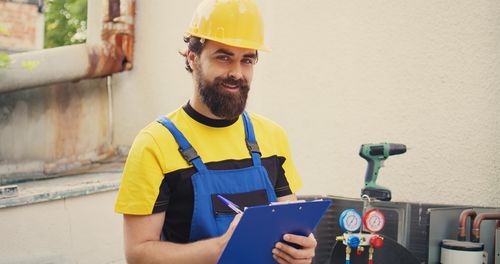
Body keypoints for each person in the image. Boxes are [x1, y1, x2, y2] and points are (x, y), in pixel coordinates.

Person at [114, 0, 318, 263]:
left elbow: (289, 224)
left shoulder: (272, 137)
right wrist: (219, 249)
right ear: (193, 58)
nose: (236, 72)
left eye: (247, 60)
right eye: (223, 57)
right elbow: (138, 254)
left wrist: (300, 248)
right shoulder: (154, 144)